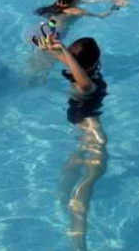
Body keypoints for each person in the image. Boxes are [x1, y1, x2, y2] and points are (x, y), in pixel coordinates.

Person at [41, 36, 108, 251]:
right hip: (92, 130)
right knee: (89, 179)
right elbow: (86, 83)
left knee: (78, 156)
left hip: (81, 123)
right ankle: (77, 233)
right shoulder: (85, 86)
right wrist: (63, 50)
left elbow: (66, 61)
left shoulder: (75, 72)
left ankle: (61, 197)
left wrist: (55, 49)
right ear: (97, 62)